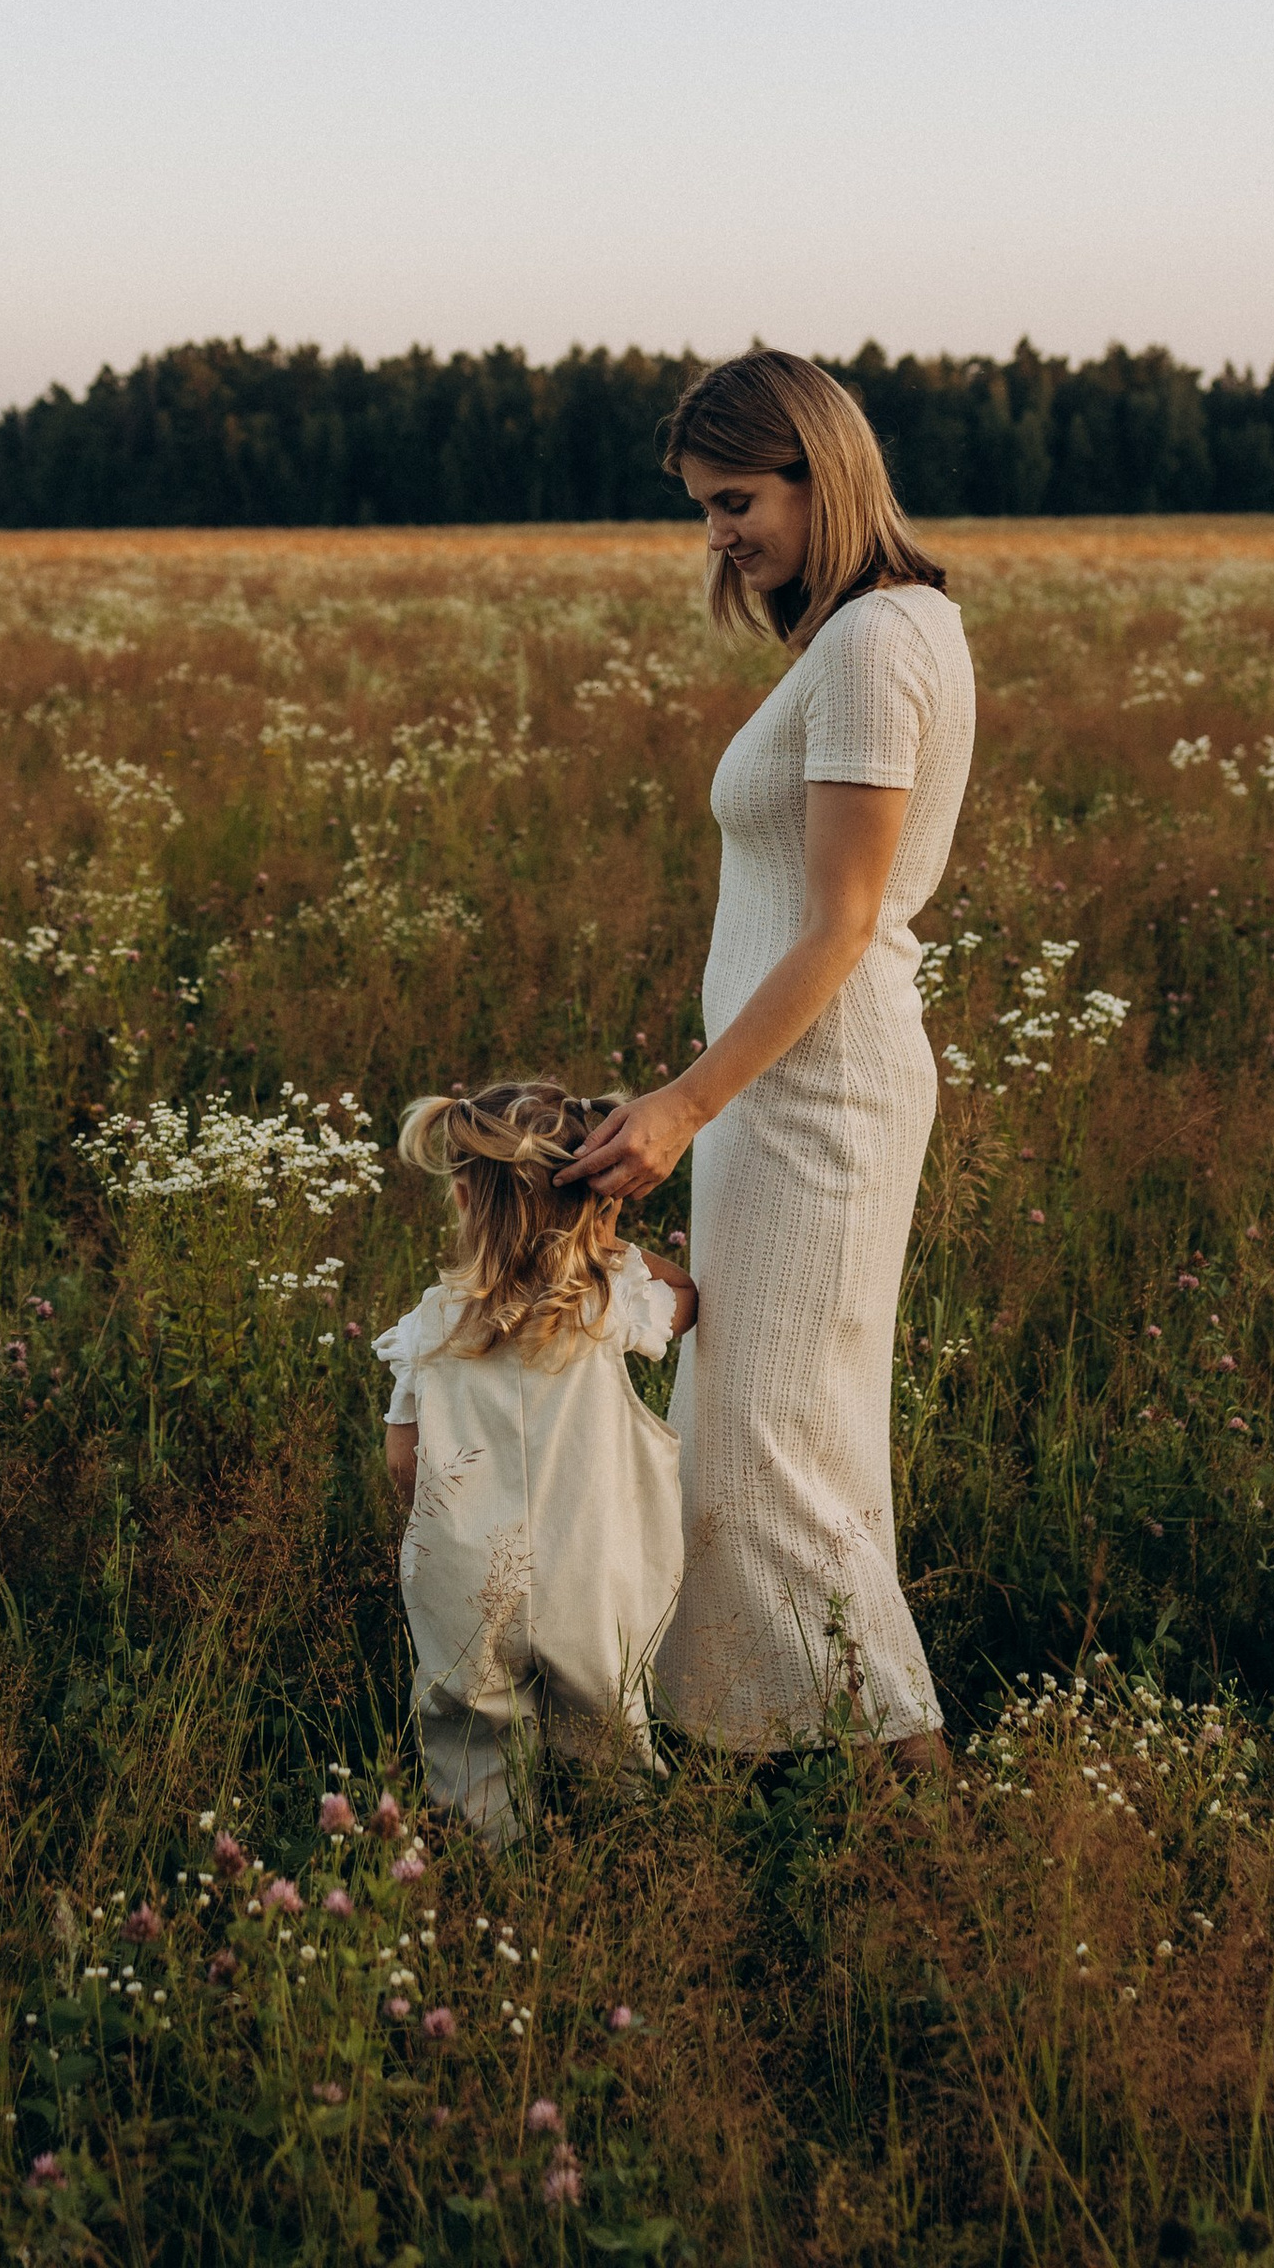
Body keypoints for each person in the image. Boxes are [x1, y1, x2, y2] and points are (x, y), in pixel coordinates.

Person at [558, 350, 975, 1764]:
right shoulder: (882, 630)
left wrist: (681, 1104)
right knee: (797, 1456)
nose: (718, 534)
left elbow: (845, 921)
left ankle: (933, 1816)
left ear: (823, 473)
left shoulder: (871, 646)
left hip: (818, 1098)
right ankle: (783, 1784)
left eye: (736, 500)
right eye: (701, 507)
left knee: (763, 1473)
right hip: (782, 1091)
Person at [374, 1080, 698, 1829]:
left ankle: (484, 1849)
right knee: (611, 1720)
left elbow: (403, 1460)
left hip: (467, 1578)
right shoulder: (607, 1306)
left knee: (466, 1721)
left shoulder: (432, 1325)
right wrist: (607, 1243)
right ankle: (623, 1845)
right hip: (589, 1566)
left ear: (461, 1200)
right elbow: (687, 1294)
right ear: (597, 1202)